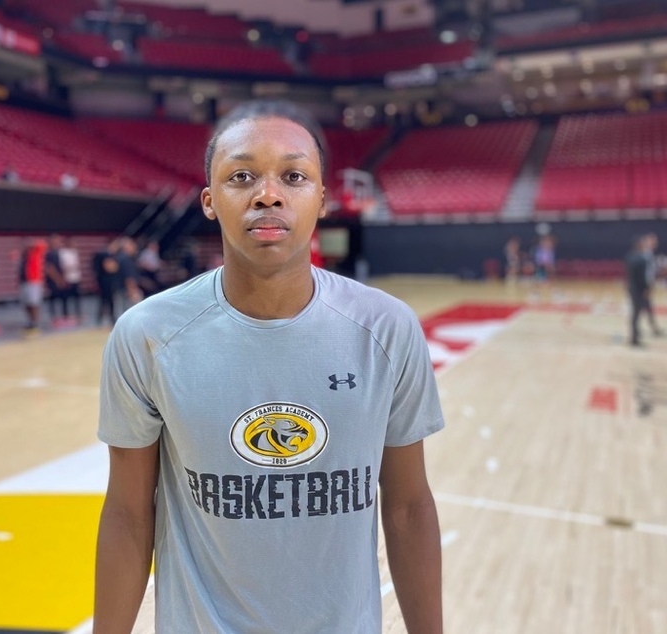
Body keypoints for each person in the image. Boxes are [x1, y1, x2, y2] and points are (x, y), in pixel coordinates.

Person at [95, 100, 445, 634]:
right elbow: (127, 514)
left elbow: (408, 507)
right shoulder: (146, 336)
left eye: (294, 175)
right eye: (242, 177)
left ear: (322, 198)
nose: (268, 193)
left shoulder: (387, 329)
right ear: (210, 202)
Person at [625, 234, 663, 347]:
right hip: (640, 290)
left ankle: (639, 333)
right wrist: (647, 289)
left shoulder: (629, 256)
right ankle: (634, 338)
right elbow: (643, 278)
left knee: (636, 313)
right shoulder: (642, 259)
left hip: (631, 287)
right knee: (637, 313)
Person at [18, 237, 47, 336]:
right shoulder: (24, 257)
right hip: (24, 283)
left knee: (34, 304)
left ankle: (36, 324)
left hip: (34, 282)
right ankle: (30, 322)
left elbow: (43, 244)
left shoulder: (36, 253)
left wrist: (31, 243)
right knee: (27, 304)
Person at [45, 234, 69, 328]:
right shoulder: (49, 254)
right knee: (53, 298)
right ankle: (54, 318)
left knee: (64, 298)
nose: (58, 242)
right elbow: (49, 268)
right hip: (54, 280)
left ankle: (65, 317)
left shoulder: (60, 253)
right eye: (56, 240)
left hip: (62, 278)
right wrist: (58, 279)